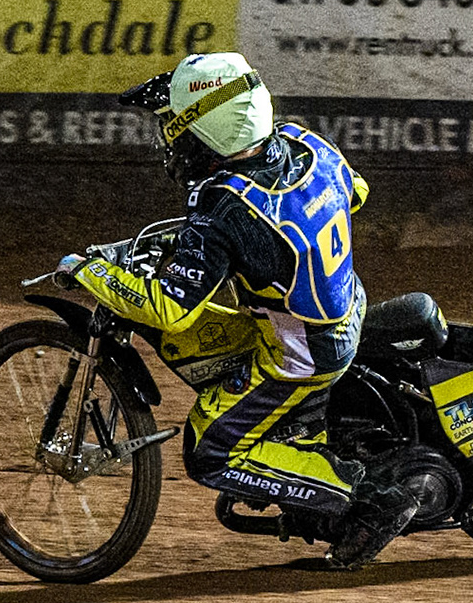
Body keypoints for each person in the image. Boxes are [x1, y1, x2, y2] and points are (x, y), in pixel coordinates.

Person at [60, 51, 417, 569]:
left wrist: (88, 271)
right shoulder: (304, 143)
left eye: (177, 130)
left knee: (209, 450)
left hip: (300, 352)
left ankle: (368, 501)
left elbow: (170, 308)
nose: (172, 143)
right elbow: (356, 192)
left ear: (208, 131)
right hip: (344, 305)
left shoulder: (222, 205)